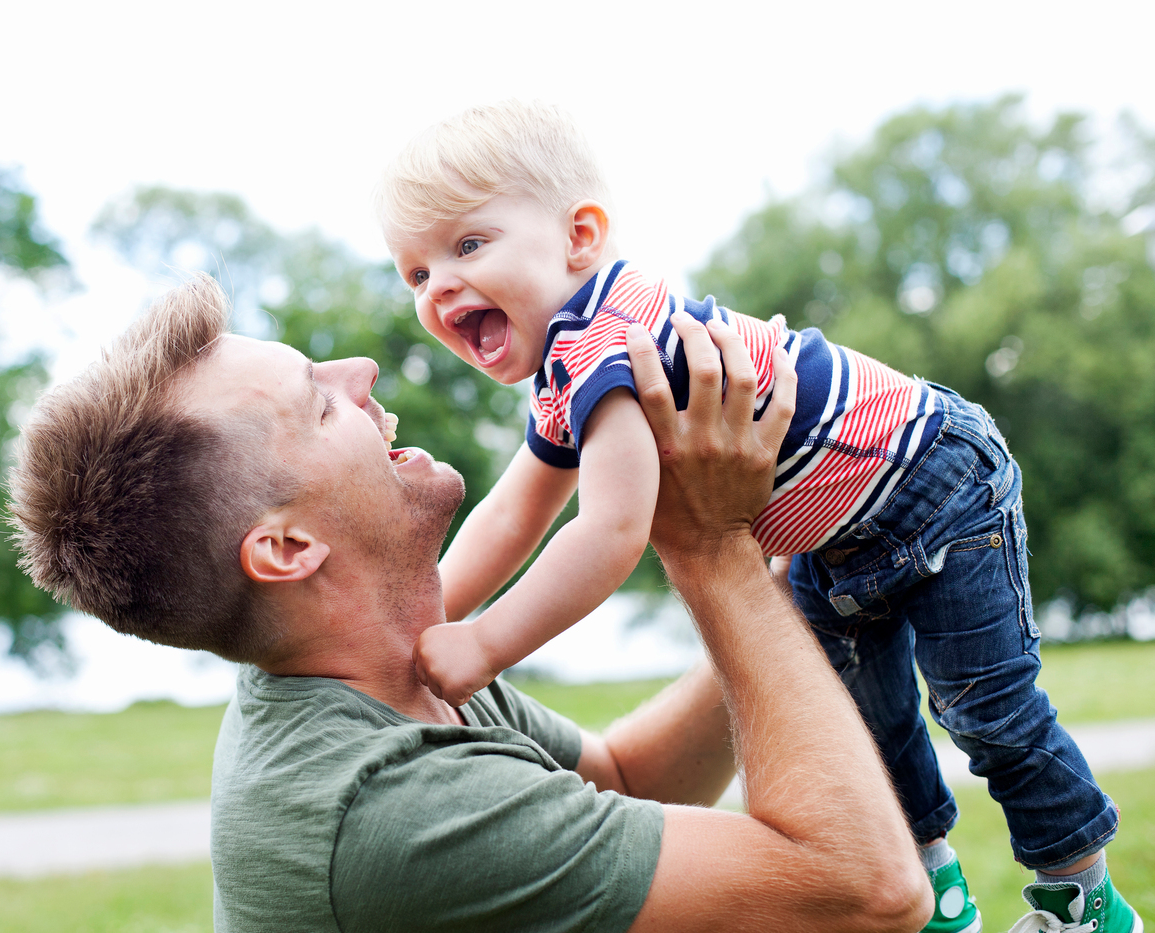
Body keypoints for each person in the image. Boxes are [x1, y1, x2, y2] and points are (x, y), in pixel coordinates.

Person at [379, 100, 1141, 933]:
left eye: (468, 245)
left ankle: (1084, 903)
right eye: (416, 274)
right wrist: (421, 616)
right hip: (838, 532)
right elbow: (512, 512)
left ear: (580, 236)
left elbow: (608, 532)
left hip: (931, 479)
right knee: (859, 724)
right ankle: (938, 896)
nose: (440, 285)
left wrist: (484, 645)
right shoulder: (570, 357)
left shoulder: (609, 341)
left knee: (984, 709)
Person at [7, 275, 932, 932]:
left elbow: (618, 781)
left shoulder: (384, 664)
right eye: (319, 406)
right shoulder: (382, 810)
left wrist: (809, 583)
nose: (361, 371)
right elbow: (866, 892)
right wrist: (713, 550)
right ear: (287, 548)